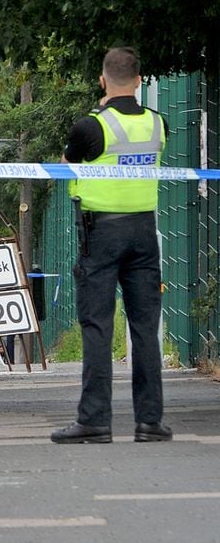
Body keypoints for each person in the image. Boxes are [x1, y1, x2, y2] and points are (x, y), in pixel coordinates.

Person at [51, 47, 172, 444]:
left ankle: (95, 421)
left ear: (103, 80)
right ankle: (150, 422)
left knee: (97, 326)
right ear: (139, 81)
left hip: (100, 234)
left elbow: (67, 163)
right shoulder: (159, 124)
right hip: (144, 232)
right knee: (144, 328)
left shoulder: (90, 127)